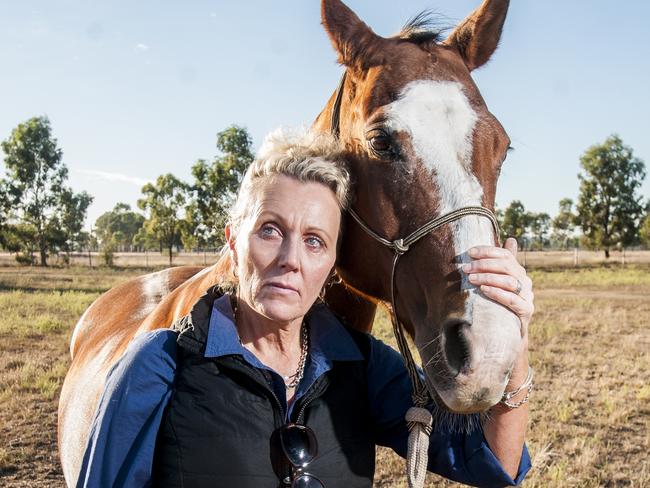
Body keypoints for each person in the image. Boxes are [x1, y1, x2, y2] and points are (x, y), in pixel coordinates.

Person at [76, 130, 534, 488]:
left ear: (332, 262)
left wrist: (515, 336)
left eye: (314, 241)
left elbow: (491, 461)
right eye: (270, 231)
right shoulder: (159, 365)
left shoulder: (364, 367)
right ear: (233, 241)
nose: (291, 259)